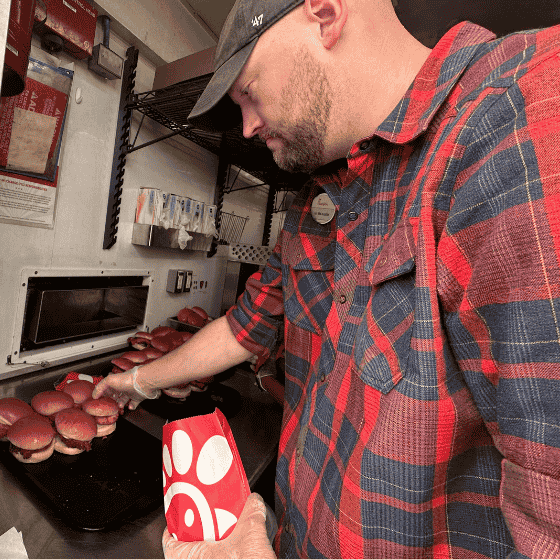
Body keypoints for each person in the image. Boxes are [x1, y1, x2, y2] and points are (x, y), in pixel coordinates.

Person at [93, 0, 560, 557]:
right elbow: (247, 328)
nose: (247, 125)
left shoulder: (517, 116)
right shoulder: (321, 194)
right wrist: (139, 382)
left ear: (324, 13)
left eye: (249, 90)